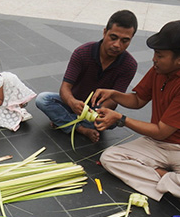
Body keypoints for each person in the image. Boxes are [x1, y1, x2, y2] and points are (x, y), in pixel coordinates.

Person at [94, 20, 180, 210]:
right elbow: (138, 100)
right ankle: (176, 186)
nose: (154, 59)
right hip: (158, 143)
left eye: (160, 55)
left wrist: (120, 119)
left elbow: (162, 131)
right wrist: (114, 94)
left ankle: (163, 178)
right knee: (110, 158)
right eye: (155, 53)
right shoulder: (161, 69)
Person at [35, 10, 138, 143]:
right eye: (113, 37)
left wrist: (96, 112)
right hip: (74, 103)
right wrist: (72, 102)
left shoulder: (129, 65)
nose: (117, 45)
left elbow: (114, 99)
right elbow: (65, 88)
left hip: (97, 110)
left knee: (112, 122)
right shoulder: (83, 53)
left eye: (125, 41)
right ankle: (81, 129)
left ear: (131, 39)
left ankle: (64, 121)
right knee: (43, 99)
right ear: (105, 32)